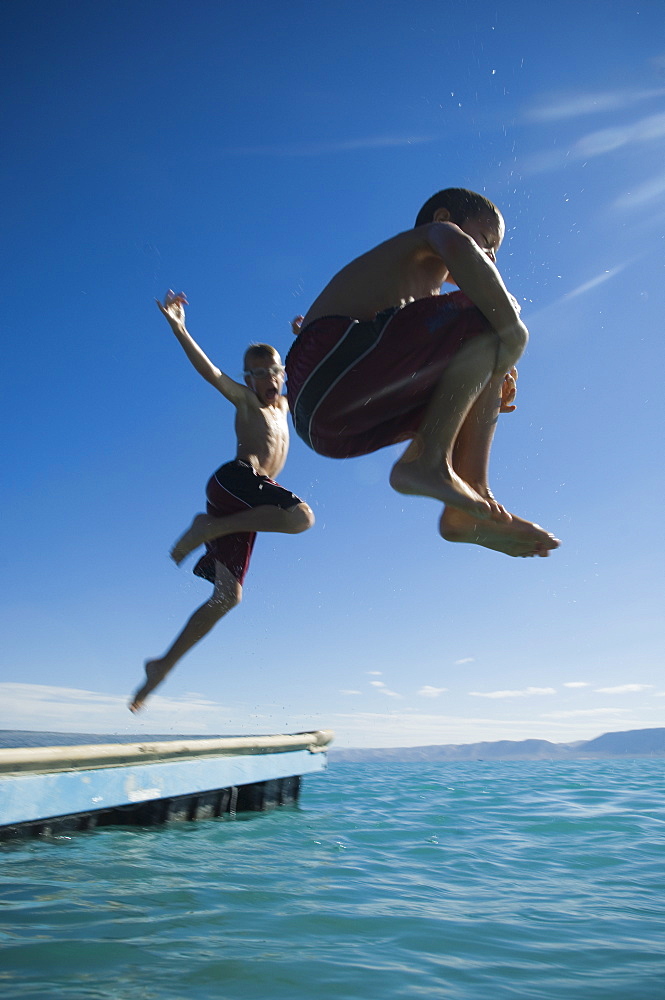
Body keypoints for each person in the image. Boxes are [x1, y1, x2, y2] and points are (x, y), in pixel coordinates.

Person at [286, 187, 559, 559]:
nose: (493, 255)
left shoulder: (418, 308)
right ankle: (427, 463)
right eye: (488, 239)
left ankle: (469, 498)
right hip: (327, 368)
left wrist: (487, 383)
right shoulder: (433, 237)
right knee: (494, 313)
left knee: (484, 351)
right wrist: (514, 333)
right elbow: (462, 252)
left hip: (334, 427)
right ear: (445, 219)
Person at [129, 292, 314, 712]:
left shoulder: (286, 404)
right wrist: (179, 327)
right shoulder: (247, 400)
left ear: (282, 375)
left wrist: (305, 337)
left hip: (247, 507)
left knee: (227, 598)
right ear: (247, 380)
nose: (268, 379)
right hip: (233, 483)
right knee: (302, 516)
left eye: (274, 372)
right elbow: (210, 372)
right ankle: (206, 528)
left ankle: (160, 668)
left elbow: (314, 374)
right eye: (258, 373)